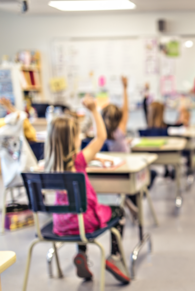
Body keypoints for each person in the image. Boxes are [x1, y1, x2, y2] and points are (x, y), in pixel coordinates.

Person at [45, 95, 130, 283]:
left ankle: (81, 253)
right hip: (86, 222)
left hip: (61, 224)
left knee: (76, 213)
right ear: (73, 139)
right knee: (118, 211)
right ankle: (114, 257)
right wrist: (93, 110)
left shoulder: (49, 167)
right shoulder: (80, 161)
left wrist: (96, 158)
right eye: (78, 135)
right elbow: (101, 136)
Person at [102, 76, 130, 153]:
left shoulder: (102, 133)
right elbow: (125, 109)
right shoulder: (120, 129)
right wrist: (125, 87)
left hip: (112, 161)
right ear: (119, 117)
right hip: (125, 159)